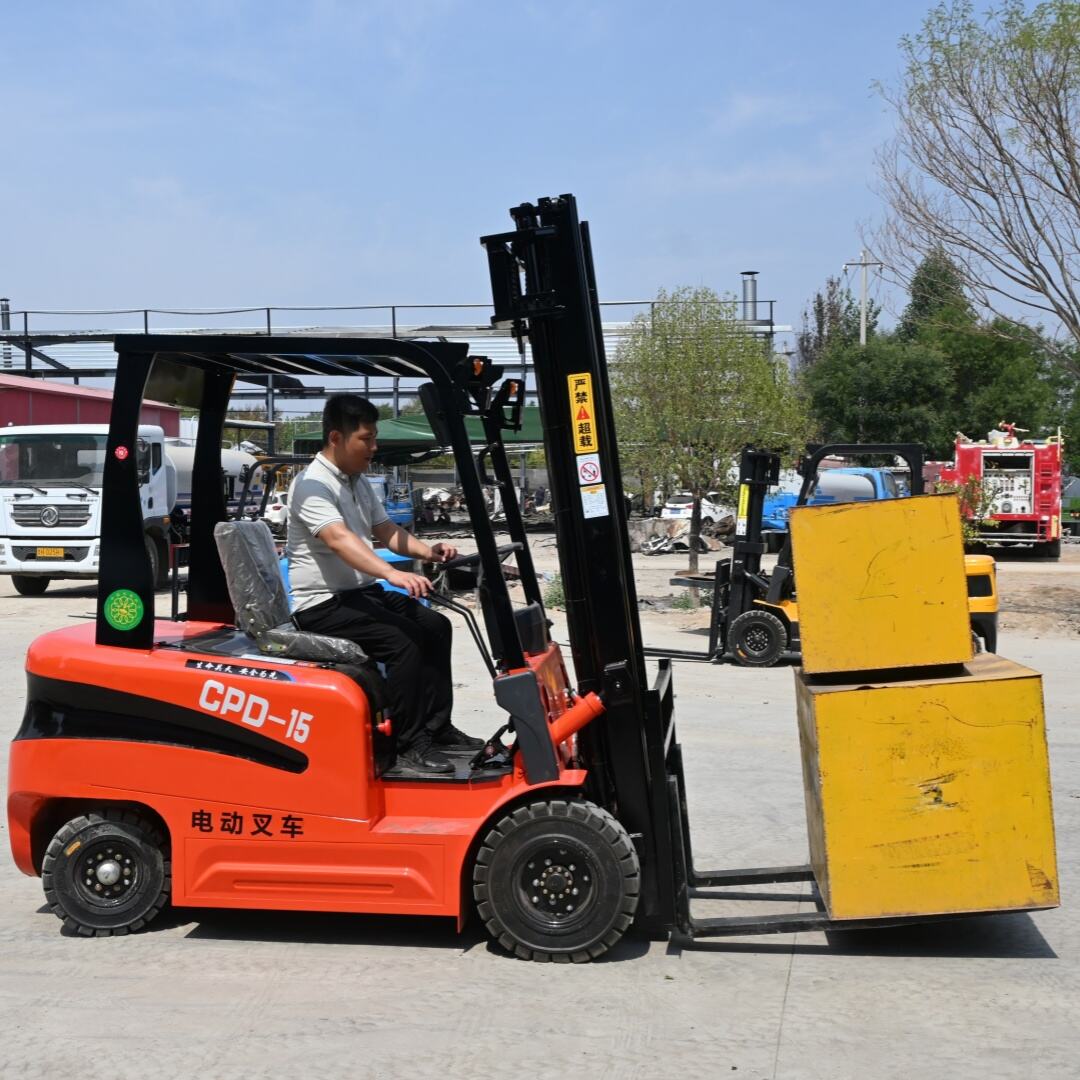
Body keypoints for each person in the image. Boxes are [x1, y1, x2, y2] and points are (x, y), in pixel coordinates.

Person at [287, 394, 483, 776]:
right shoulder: (312, 485)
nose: (374, 448)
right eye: (367, 439)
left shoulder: (357, 482)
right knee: (403, 642)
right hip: (321, 605)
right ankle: (409, 745)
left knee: (435, 625)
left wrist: (429, 552)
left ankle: (436, 727)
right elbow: (339, 539)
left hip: (359, 595)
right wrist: (393, 574)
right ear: (336, 438)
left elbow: (386, 531)